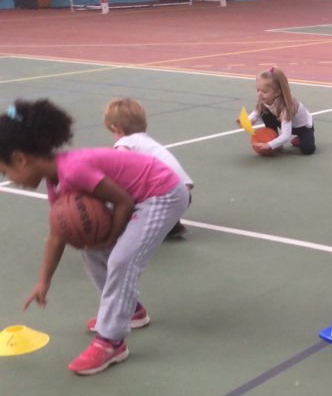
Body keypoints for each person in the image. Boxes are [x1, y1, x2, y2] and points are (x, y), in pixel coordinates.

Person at [0, 99, 189, 375]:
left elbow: (123, 201)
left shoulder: (74, 169)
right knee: (90, 250)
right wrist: (44, 281)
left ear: (20, 158)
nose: (9, 178)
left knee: (122, 260)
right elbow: (56, 236)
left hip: (164, 193)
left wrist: (110, 237)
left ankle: (112, 342)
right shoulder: (57, 184)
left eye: (5, 171)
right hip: (141, 195)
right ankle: (132, 311)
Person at [104, 97, 193, 239]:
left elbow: (120, 168)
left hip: (166, 196)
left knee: (122, 193)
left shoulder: (125, 143)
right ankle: (171, 224)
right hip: (184, 196)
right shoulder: (148, 141)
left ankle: (151, 224)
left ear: (115, 127)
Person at [249, 66, 316, 155]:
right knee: (264, 112)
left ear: (277, 92)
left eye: (264, 92)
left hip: (302, 127)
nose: (260, 94)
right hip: (283, 122)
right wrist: (247, 121)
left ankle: (299, 139)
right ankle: (274, 138)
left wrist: (269, 144)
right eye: (258, 90)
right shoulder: (265, 100)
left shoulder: (286, 108)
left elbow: (286, 135)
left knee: (308, 150)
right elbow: (256, 113)